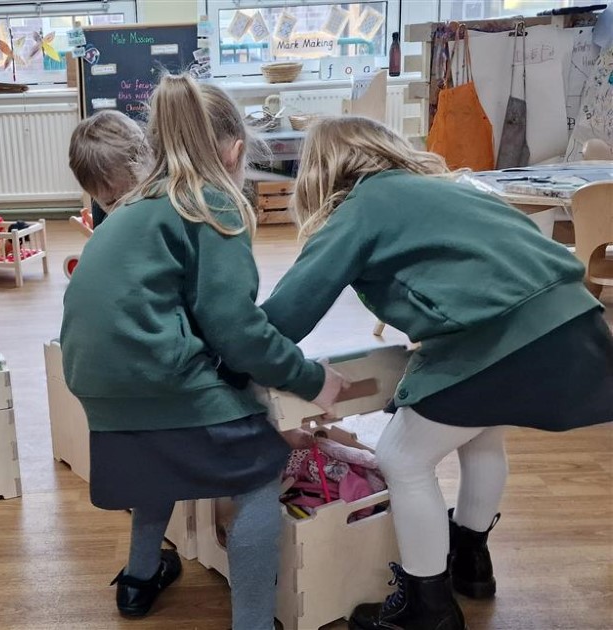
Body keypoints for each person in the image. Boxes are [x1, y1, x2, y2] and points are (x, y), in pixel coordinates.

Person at [260, 116, 613, 630]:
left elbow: (291, 311)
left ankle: (426, 608)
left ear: (322, 171)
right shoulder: (451, 188)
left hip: (497, 339)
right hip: (577, 324)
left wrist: (232, 346)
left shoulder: (362, 208)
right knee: (483, 435)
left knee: (401, 455)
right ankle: (471, 561)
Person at [60, 74, 348, 630]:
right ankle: (254, 622)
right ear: (236, 151)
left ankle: (140, 581)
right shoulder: (212, 203)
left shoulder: (134, 205)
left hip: (101, 391)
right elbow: (235, 328)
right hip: (157, 378)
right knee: (261, 474)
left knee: (157, 466)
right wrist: (312, 379)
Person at [67, 109, 152, 227]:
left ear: (145, 157)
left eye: (131, 195)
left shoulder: (163, 196)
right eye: (111, 203)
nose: (122, 209)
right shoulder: (103, 219)